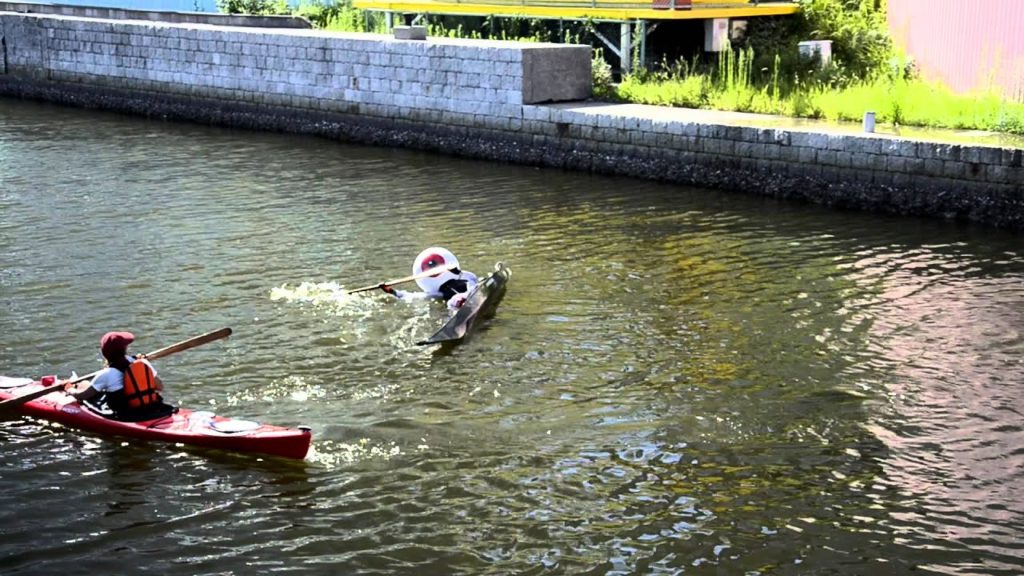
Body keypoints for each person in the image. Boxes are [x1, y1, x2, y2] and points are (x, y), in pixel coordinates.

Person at [64, 331, 176, 421]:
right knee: (84, 383)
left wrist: (69, 390)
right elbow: (159, 387)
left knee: (88, 390)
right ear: (125, 349)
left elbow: (82, 396)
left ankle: (73, 384)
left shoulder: (106, 375)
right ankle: (76, 383)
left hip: (125, 414)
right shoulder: (143, 363)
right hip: (152, 407)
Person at [379, 247, 478, 309]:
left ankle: (466, 299)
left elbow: (472, 278)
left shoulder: (464, 277)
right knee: (452, 302)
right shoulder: (437, 293)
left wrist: (457, 272)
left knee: (467, 292)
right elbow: (410, 296)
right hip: (455, 303)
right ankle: (457, 315)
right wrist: (391, 291)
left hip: (470, 292)